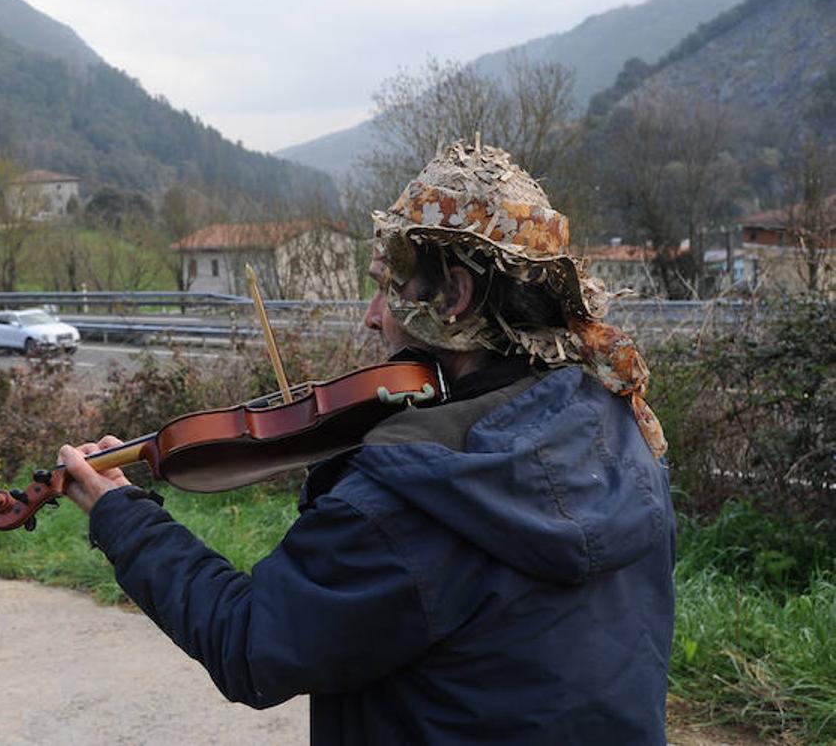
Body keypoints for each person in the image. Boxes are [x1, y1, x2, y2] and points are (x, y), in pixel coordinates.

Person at [58, 139, 675, 745]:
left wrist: (124, 518)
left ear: (454, 297)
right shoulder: (623, 431)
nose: (372, 315)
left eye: (388, 287)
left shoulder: (411, 500)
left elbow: (249, 643)